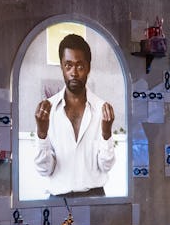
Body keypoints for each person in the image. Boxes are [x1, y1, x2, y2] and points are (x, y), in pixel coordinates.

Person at [33, 33, 115, 197]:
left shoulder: (101, 109)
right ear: (61, 67)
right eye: (68, 65)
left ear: (88, 68)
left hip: (95, 197)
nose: (74, 73)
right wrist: (41, 134)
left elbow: (105, 166)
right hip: (58, 201)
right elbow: (45, 169)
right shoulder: (48, 110)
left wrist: (106, 134)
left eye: (79, 66)